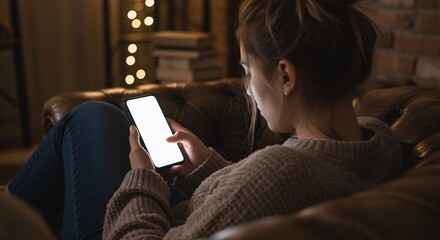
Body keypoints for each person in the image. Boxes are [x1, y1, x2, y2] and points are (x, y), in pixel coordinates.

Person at [6, 0, 403, 239]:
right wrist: (207, 167)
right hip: (188, 215)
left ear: (285, 76)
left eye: (247, 70)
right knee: (106, 124)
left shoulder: (283, 168)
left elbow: (273, 183)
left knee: (87, 118)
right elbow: (260, 199)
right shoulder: (379, 143)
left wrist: (142, 180)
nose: (247, 87)